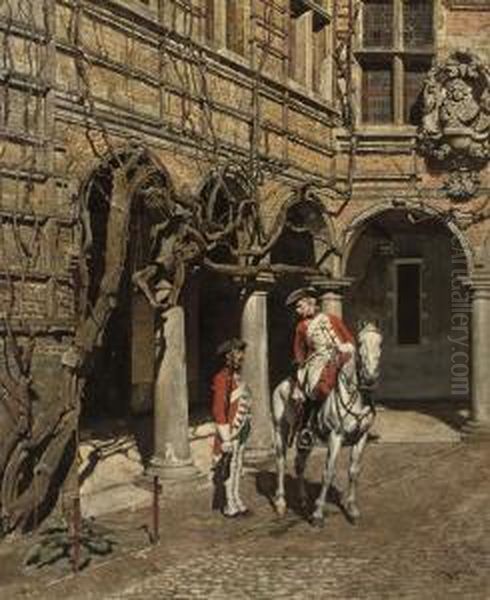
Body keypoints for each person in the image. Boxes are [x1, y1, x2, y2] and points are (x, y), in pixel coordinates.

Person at [286, 287, 355, 448]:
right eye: (297, 308)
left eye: (299, 306)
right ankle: (307, 428)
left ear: (311, 303)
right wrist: (300, 368)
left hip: (340, 356)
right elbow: (299, 352)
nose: (298, 311)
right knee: (317, 388)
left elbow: (349, 339)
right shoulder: (301, 327)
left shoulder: (332, 319)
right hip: (317, 362)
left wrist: (346, 348)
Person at [211, 338, 252, 518]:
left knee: (238, 465)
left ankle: (236, 498)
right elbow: (218, 409)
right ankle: (229, 503)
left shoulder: (237, 378)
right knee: (230, 465)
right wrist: (225, 438)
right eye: (238, 353)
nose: (242, 356)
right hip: (230, 429)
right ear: (229, 357)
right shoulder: (221, 379)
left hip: (241, 428)